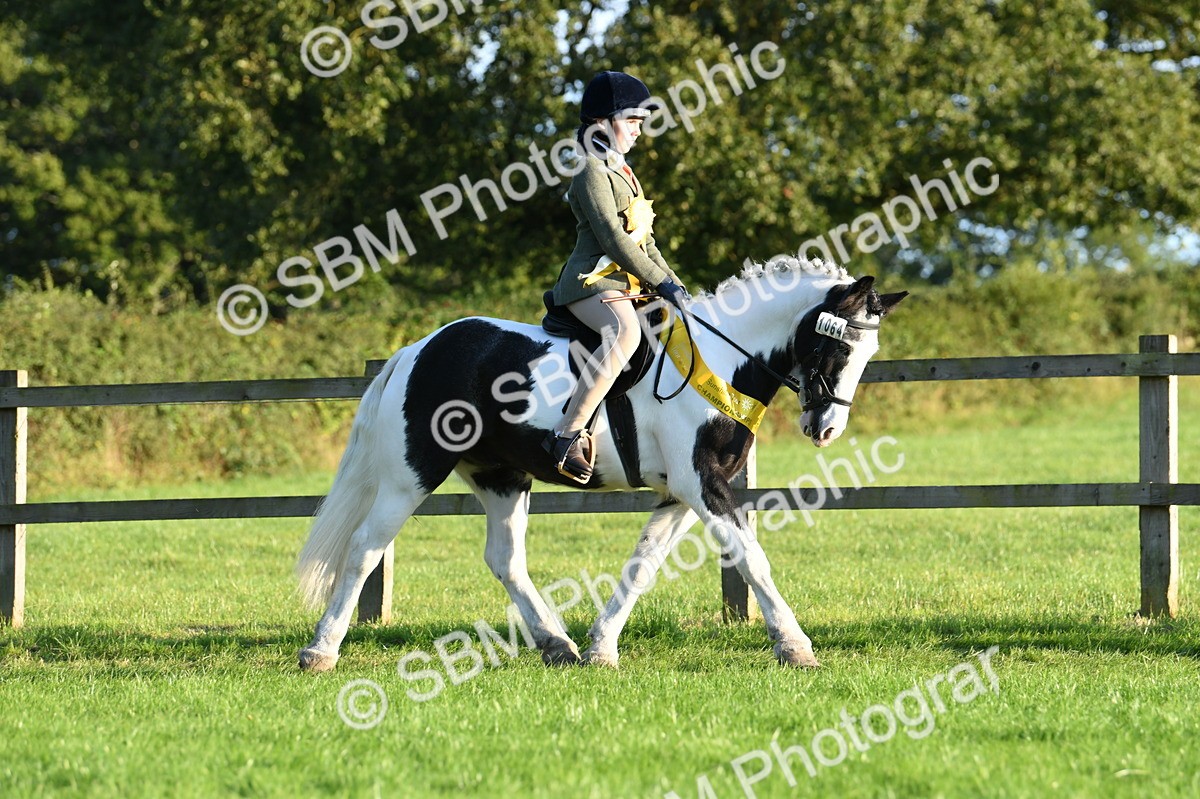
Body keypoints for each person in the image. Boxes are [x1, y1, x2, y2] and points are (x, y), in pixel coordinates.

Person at [544, 70, 689, 483]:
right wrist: (660, 283)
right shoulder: (590, 170)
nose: (639, 131)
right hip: (591, 284)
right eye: (632, 121)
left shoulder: (623, 172)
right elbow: (613, 241)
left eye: (640, 123)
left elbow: (645, 243)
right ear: (601, 123)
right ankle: (566, 434)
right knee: (625, 333)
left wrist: (675, 285)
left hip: (627, 284)